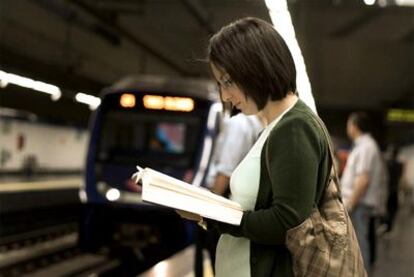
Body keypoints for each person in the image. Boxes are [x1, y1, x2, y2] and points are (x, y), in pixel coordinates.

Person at [181, 17, 334, 277]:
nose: (226, 96)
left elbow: (286, 223)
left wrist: (211, 215)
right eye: (221, 84)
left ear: (256, 67)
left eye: (228, 81)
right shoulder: (275, 126)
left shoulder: (294, 127)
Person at [340, 111, 384, 271]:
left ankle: (362, 272)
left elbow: (363, 178)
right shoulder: (363, 145)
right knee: (357, 240)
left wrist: (351, 202)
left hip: (359, 203)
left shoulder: (366, 146)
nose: (347, 128)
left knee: (359, 242)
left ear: (354, 126)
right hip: (359, 202)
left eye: (349, 124)